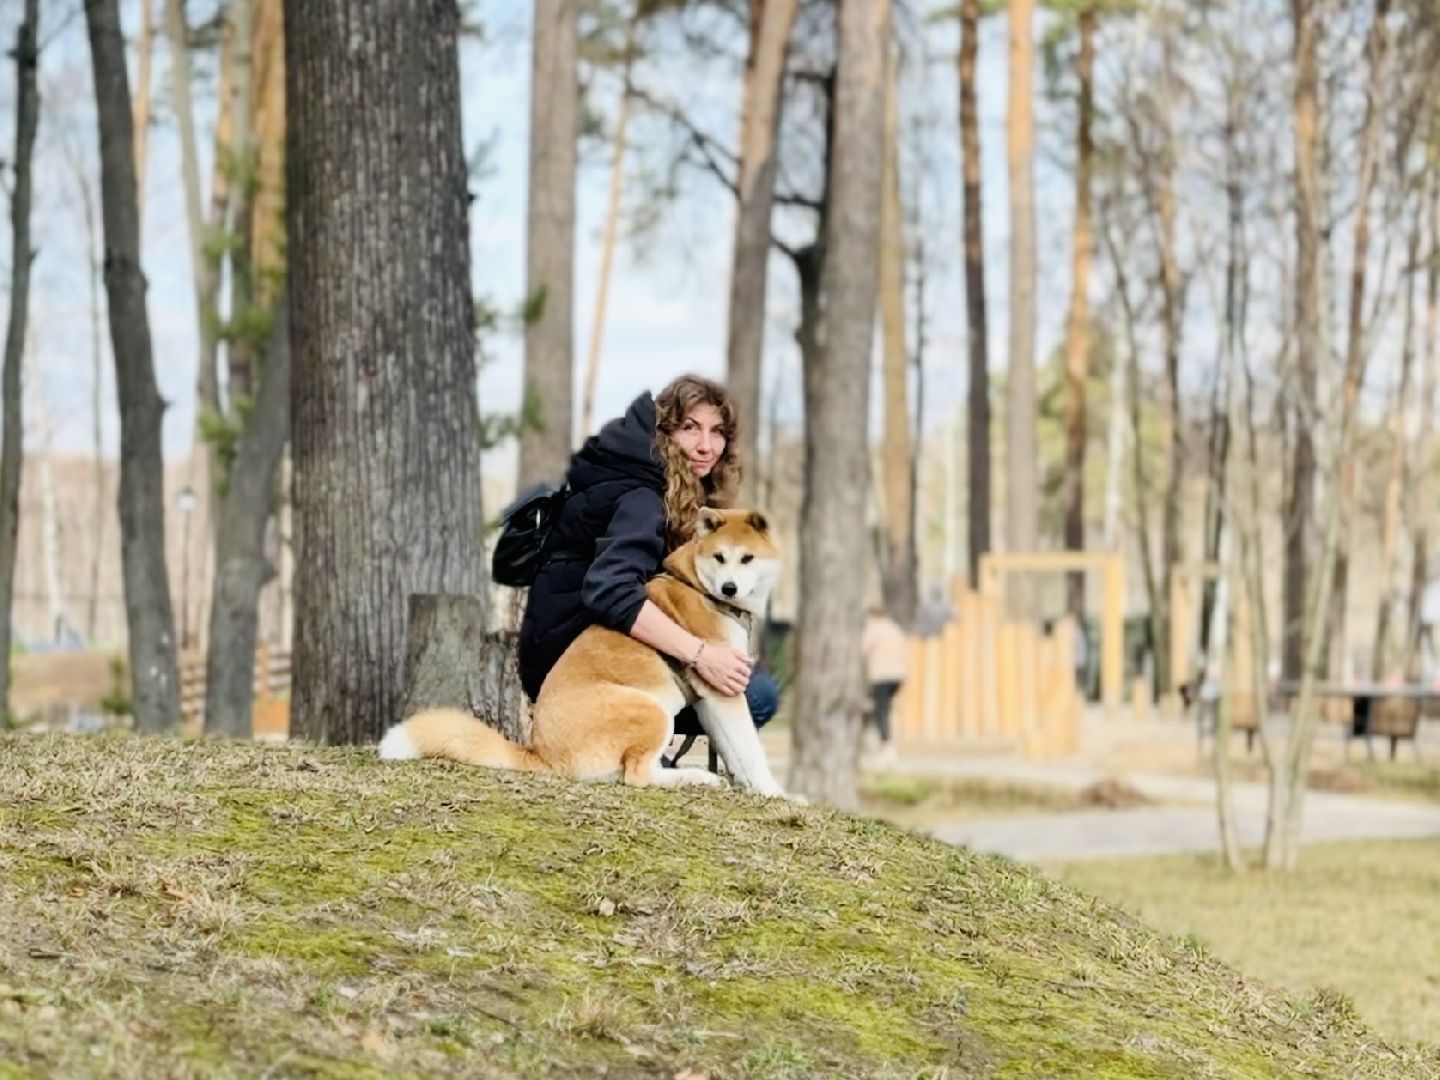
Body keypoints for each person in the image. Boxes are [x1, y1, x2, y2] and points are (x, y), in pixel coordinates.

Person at [517, 374, 780, 749]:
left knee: (747, 680)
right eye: (690, 428)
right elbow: (611, 590)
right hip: (576, 671)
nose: (707, 446)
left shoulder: (658, 482)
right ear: (665, 432)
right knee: (757, 695)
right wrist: (702, 655)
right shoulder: (642, 497)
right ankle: (628, 753)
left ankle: (635, 750)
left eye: (717, 432)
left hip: (594, 658)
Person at [861, 605, 909, 753]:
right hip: (899, 675)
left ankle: (886, 743)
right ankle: (885, 739)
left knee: (880, 709)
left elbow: (862, 648)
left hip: (881, 675)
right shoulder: (895, 629)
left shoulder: (874, 629)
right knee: (886, 708)